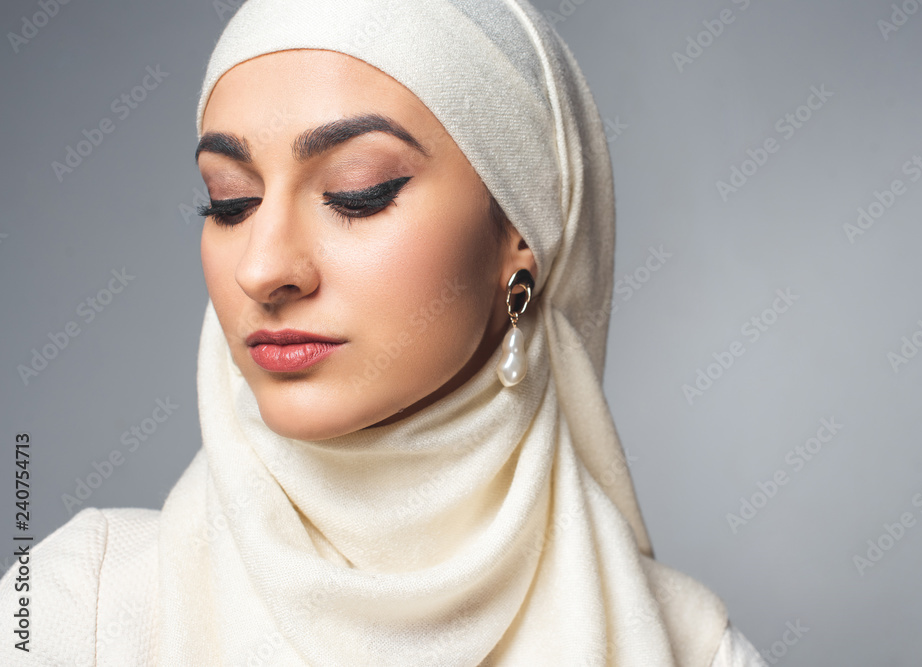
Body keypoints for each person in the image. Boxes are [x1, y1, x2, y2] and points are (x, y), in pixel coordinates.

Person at [0, 0, 767, 664]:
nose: (263, 268)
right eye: (229, 201)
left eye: (356, 193)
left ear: (518, 236)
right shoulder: (78, 612)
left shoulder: (688, 649)